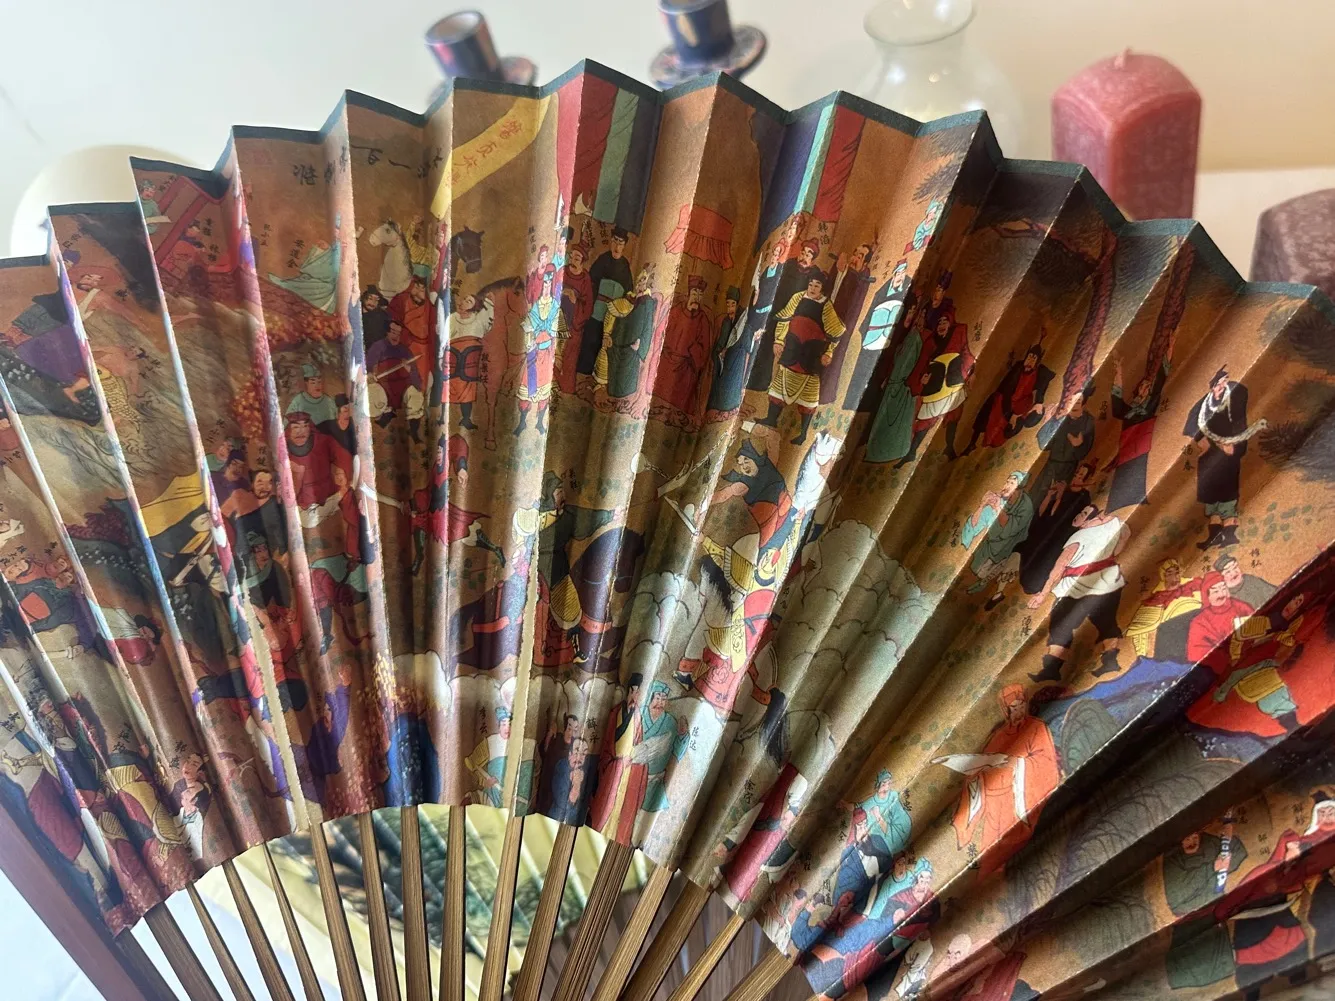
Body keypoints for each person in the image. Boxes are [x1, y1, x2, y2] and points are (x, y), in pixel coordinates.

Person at [938, 685, 1059, 875]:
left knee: (1012, 847)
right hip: (992, 803)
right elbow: (982, 764)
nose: (1019, 711)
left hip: (1015, 799)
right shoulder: (999, 735)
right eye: (1013, 708)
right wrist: (976, 773)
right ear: (1006, 711)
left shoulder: (1036, 728)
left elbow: (1046, 763)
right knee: (989, 849)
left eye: (1021, 705)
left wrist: (1017, 763)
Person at [1027, 503, 1128, 682]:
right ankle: (1110, 662)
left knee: (1061, 624)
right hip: (1109, 581)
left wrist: (1043, 593)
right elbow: (1125, 536)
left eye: (1085, 513)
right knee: (1105, 621)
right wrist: (1113, 553)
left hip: (1079, 587)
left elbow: (1059, 568)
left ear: (1092, 519)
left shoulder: (1079, 536)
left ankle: (1052, 668)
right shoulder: (1116, 524)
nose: (1079, 515)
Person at [1183, 367, 1265, 549]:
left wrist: (1234, 447)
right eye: (1218, 384)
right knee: (1211, 500)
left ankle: (1229, 536)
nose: (1222, 387)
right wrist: (1201, 439)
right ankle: (1213, 537)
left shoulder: (1234, 399)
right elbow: (1192, 422)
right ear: (1212, 386)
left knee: (1227, 498)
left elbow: (1240, 425)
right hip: (1209, 454)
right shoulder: (1204, 404)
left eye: (1224, 383)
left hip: (1228, 452)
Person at [758, 274, 845, 444]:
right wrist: (778, 340)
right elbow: (784, 320)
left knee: (809, 397)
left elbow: (835, 334)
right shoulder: (797, 297)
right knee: (779, 386)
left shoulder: (826, 306)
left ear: (822, 289)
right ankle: (771, 419)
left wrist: (829, 353)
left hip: (812, 353)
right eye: (810, 284)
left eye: (817, 286)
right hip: (792, 347)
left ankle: (803, 433)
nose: (812, 288)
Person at [1163, 825, 1248, 990]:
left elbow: (1238, 853)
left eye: (1195, 837)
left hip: (1212, 914)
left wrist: (1229, 839)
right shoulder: (1173, 857)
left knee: (1219, 966)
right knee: (1188, 965)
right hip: (1187, 919)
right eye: (1187, 839)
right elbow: (1177, 892)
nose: (1192, 842)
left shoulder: (1210, 844)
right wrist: (1211, 868)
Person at [897, 306, 973, 465]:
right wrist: (921, 380)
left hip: (953, 382)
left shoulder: (958, 334)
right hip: (935, 386)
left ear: (950, 323)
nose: (942, 325)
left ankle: (949, 447)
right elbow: (922, 364)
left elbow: (967, 354)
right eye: (939, 322)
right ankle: (912, 452)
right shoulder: (931, 342)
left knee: (954, 415)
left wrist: (966, 371)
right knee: (925, 420)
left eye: (945, 322)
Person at [1106, 341, 1172, 510]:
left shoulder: (1149, 406)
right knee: (1121, 478)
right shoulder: (1127, 410)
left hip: (1140, 448)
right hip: (1126, 449)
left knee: (1136, 475)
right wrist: (1119, 371)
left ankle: (1134, 502)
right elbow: (1116, 397)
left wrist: (1171, 345)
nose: (1144, 389)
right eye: (1142, 386)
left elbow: (1162, 377)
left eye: (1147, 387)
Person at [960, 342, 1055, 455]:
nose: (1030, 360)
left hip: (1020, 404)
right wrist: (1008, 410)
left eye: (1034, 358)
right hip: (1003, 398)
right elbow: (1008, 387)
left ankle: (991, 444)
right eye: (1029, 356)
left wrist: (1039, 401)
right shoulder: (1018, 367)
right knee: (984, 419)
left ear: (1037, 361)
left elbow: (1045, 378)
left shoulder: (1039, 372)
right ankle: (972, 443)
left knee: (1004, 427)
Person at [843, 259, 909, 411]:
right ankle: (849, 404)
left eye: (903, 274)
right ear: (894, 274)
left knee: (878, 374)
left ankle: (866, 407)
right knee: (861, 371)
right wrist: (866, 333)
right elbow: (869, 315)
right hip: (872, 338)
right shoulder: (882, 291)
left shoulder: (904, 293)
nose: (900, 277)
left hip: (888, 341)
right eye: (898, 273)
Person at [962, 471, 1034, 609]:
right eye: (1007, 482)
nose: (1007, 486)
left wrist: (998, 508)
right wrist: (982, 505)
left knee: (993, 569)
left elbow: (1010, 529)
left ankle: (986, 586)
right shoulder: (1001, 498)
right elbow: (976, 523)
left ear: (1019, 487)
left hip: (1010, 543)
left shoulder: (1026, 505)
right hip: (992, 541)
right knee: (978, 566)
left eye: (1012, 483)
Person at [865, 301, 925, 464]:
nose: (918, 319)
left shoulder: (916, 340)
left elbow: (909, 365)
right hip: (893, 383)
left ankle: (883, 452)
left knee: (890, 421)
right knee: (881, 417)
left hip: (900, 386)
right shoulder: (909, 336)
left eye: (922, 316)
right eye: (918, 315)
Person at [820, 244, 874, 404]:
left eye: (860, 256)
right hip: (826, 317)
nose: (854, 258)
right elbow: (830, 290)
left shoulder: (862, 278)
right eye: (855, 253)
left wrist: (844, 273)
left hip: (841, 324)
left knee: (833, 356)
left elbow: (851, 303)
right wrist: (838, 271)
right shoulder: (845, 270)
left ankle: (823, 393)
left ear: (865, 263)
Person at [1030, 389, 1095, 515]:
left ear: (1083, 402)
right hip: (1051, 465)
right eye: (1071, 400)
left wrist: (1077, 445)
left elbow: (1085, 450)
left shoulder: (1088, 421)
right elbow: (1044, 445)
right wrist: (1051, 420)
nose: (1074, 404)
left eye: (1078, 401)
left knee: (1054, 501)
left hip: (1068, 468)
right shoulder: (1060, 418)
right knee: (1037, 495)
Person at [578, 228, 634, 376]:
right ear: (610, 241)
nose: (617, 246)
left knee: (606, 346)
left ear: (624, 245)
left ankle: (598, 379)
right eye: (614, 241)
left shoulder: (625, 266)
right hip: (597, 310)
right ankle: (583, 374)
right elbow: (591, 283)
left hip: (613, 315)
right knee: (591, 340)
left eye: (620, 243)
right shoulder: (603, 259)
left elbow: (629, 290)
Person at [656, 275, 713, 412]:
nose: (696, 298)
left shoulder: (703, 320)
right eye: (694, 293)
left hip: (687, 368)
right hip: (667, 362)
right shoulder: (675, 311)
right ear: (688, 295)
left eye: (700, 295)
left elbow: (704, 349)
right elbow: (662, 334)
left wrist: (692, 350)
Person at [601, 267, 659, 402]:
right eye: (639, 280)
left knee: (626, 379)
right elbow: (617, 315)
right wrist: (609, 335)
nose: (640, 284)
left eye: (643, 280)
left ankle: (624, 401)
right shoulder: (629, 298)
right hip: (617, 341)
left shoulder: (648, 302)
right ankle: (611, 396)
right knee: (613, 373)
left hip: (632, 346)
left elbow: (648, 327)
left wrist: (640, 347)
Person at [516, 266, 561, 434]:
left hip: (547, 354)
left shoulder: (555, 306)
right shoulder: (536, 306)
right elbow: (528, 326)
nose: (547, 286)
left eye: (550, 283)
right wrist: (532, 339)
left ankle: (540, 422)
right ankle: (522, 422)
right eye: (545, 283)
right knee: (526, 390)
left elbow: (559, 331)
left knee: (544, 391)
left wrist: (547, 334)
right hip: (533, 354)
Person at [445, 292, 492, 430]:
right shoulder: (452, 318)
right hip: (453, 358)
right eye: (465, 299)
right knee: (449, 388)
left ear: (474, 307)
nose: (464, 302)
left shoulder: (478, 320)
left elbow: (488, 320)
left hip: (470, 360)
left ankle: (466, 419)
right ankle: (444, 420)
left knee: (468, 390)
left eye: (469, 301)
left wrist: (489, 301)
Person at [556, 244, 594, 393]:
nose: (572, 261)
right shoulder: (563, 271)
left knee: (569, 357)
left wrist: (575, 300)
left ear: (583, 261)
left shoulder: (585, 279)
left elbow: (588, 306)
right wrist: (561, 292)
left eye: (577, 258)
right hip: (556, 321)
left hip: (573, 325)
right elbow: (552, 288)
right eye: (571, 256)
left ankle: (565, 388)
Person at [707, 286, 749, 412]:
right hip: (723, 359)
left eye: (733, 304)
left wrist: (729, 351)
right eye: (728, 305)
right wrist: (719, 352)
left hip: (736, 359)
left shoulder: (743, 322)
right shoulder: (726, 321)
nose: (730, 308)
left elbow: (745, 345)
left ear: (737, 304)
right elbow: (721, 341)